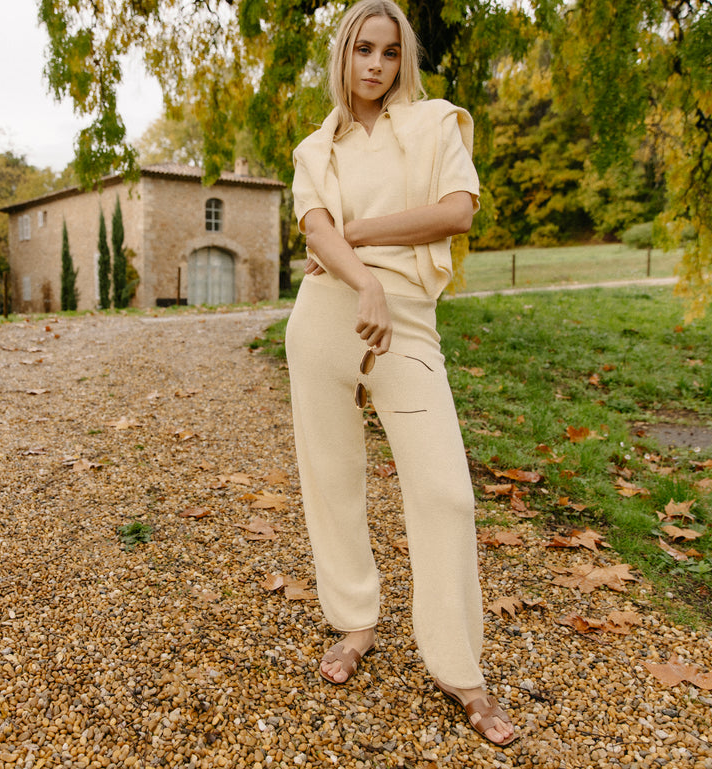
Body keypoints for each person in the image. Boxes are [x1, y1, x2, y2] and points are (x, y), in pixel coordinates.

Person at [285, 0, 517, 747]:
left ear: (402, 59)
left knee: (446, 492)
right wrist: (365, 281)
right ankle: (355, 621)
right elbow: (314, 231)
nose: (376, 65)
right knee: (332, 478)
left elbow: (457, 211)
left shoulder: (436, 123)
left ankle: (459, 669)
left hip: (407, 322)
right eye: (364, 50)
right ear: (343, 56)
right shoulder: (314, 149)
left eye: (389, 52)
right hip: (326, 316)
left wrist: (357, 236)